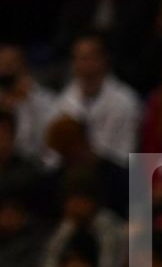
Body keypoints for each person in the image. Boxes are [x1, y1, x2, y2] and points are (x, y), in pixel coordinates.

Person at [49, 34, 142, 167]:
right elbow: (52, 156)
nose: (81, 64)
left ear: (103, 60)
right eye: (77, 58)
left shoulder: (125, 102)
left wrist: (88, 154)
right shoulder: (63, 101)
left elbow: (124, 156)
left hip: (113, 176)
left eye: (87, 58)